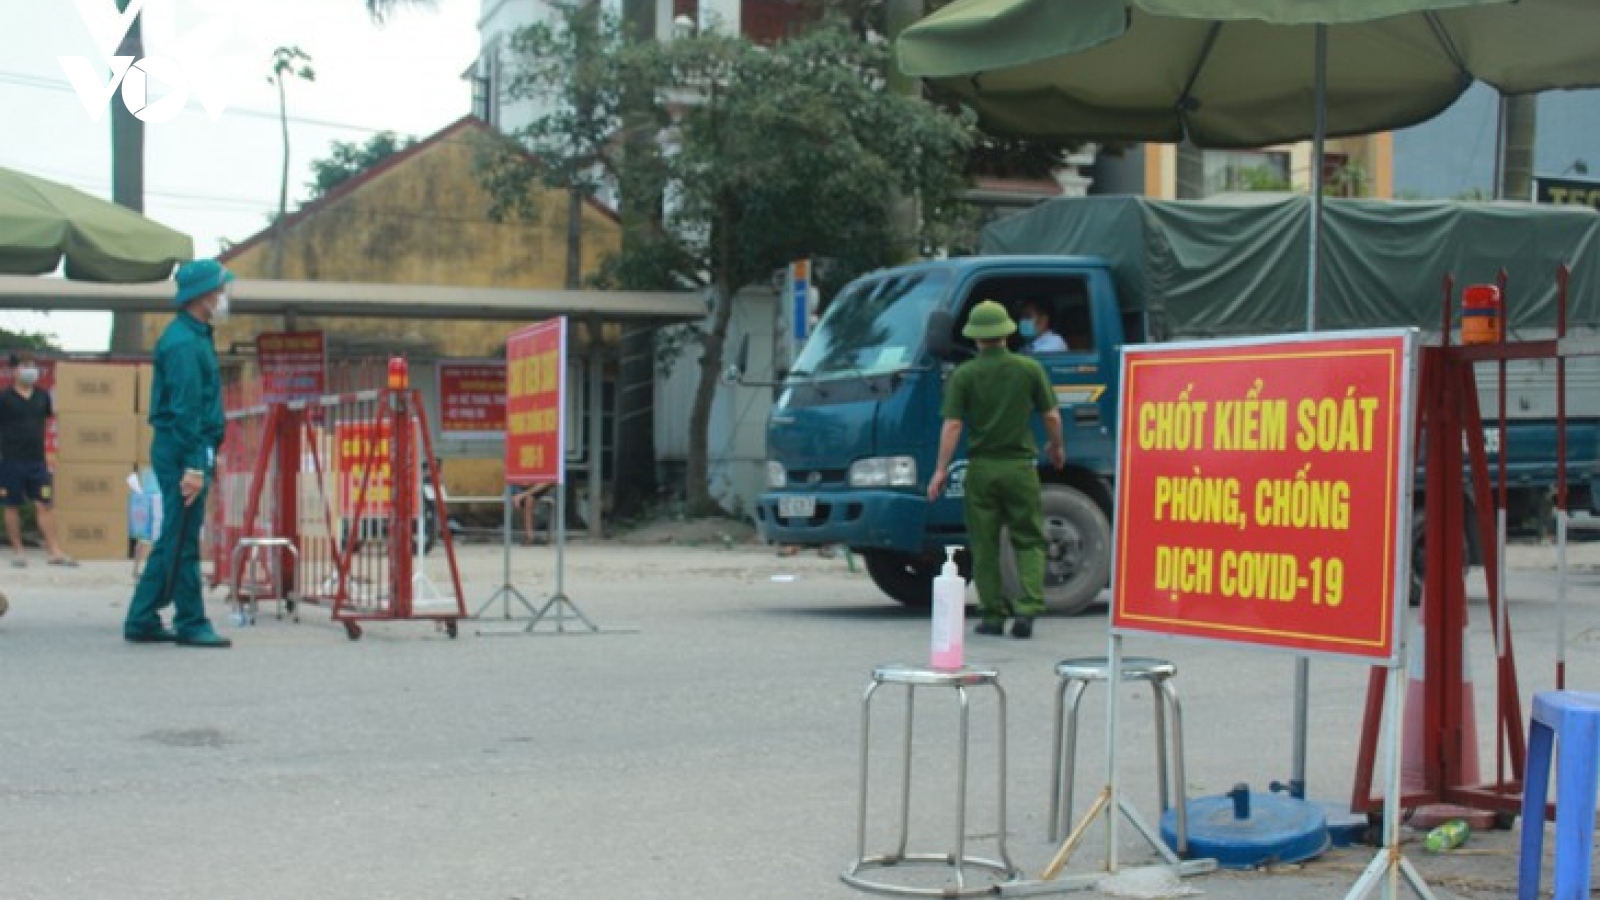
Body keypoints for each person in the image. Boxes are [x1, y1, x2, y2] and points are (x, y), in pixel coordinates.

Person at [927, 300, 1065, 639]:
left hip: (982, 469)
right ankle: (1028, 609)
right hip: (1020, 468)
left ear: (976, 338)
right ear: (1006, 333)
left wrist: (940, 470)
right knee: (1029, 539)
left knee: (984, 543)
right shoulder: (1029, 369)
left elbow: (953, 426)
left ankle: (992, 615)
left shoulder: (965, 374)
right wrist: (1056, 446)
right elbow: (1051, 415)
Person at [123, 259, 232, 648]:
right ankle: (189, 620)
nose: (224, 297)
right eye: (219, 290)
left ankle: (142, 616)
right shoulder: (185, 343)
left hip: (188, 446)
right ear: (203, 295)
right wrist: (193, 464)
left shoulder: (194, 335)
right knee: (182, 538)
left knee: (177, 534)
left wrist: (205, 453)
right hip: (183, 447)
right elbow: (187, 409)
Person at [0, 350, 75, 568]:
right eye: (24, 365)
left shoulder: (43, 396)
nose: (30, 369)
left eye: (32, 365)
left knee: (44, 504)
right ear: (14, 371)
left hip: (37, 462)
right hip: (11, 461)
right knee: (12, 505)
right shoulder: (4, 398)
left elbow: (49, 424)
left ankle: (54, 551)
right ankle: (18, 551)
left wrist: (51, 452)